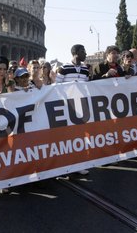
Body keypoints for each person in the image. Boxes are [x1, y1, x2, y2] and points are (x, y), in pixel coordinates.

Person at [55, 44, 90, 175]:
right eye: (83, 51)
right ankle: (64, 165)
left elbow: (87, 86)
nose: (85, 53)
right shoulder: (64, 68)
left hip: (81, 107)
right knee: (66, 137)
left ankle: (79, 164)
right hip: (67, 107)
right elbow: (56, 86)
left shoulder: (86, 69)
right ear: (76, 53)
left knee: (80, 136)